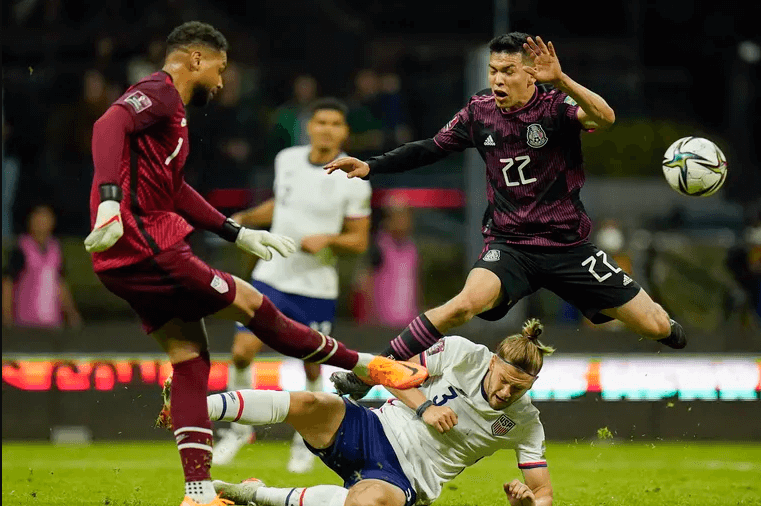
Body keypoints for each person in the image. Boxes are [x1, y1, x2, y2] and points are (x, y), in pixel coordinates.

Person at [84, 21, 426, 506]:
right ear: (197, 60)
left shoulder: (173, 118)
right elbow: (106, 125)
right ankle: (366, 365)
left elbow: (176, 190)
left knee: (189, 358)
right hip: (145, 242)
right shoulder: (159, 93)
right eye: (220, 70)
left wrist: (236, 230)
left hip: (128, 255)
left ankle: (198, 495)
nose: (222, 83)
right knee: (252, 303)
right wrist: (110, 199)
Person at [325, 33, 687, 399]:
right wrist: (371, 166)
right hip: (510, 245)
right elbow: (431, 148)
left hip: (568, 248)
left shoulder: (555, 107)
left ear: (531, 75)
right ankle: (372, 373)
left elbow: (605, 117)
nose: (497, 79)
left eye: (508, 71)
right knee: (462, 304)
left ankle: (665, 325)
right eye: (493, 70)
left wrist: (561, 79)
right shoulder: (479, 111)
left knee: (656, 326)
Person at [190, 319, 554, 506]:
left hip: (405, 479)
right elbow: (387, 369)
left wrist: (527, 504)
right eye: (504, 381)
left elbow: (544, 493)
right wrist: (424, 406)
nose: (506, 393)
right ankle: (194, 407)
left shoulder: (525, 424)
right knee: (311, 403)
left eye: (519, 389)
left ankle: (253, 495)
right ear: (492, 361)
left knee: (366, 503)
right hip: (373, 427)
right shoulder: (462, 353)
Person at [213, 97, 372, 471]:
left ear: (344, 133)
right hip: (271, 276)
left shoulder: (354, 180)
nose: (327, 129)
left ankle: (308, 438)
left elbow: (360, 240)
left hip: (315, 286)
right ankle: (237, 430)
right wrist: (248, 218)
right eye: (321, 122)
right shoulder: (287, 159)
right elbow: (282, 205)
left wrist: (328, 240)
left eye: (335, 123)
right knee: (240, 352)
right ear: (310, 126)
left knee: (313, 366)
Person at [2, 203, 82, 329]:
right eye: (38, 218)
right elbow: (7, 283)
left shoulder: (56, 248)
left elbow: (60, 284)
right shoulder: (21, 248)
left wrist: (72, 313)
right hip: (25, 325)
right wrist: (7, 317)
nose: (42, 223)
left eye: (46, 218)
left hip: (52, 324)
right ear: (30, 221)